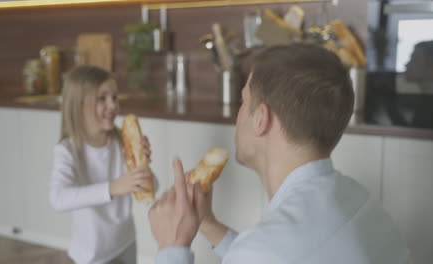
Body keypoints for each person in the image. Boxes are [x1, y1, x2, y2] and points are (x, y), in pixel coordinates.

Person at [148, 44, 411, 264]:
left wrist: (172, 247)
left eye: (243, 101)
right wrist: (208, 223)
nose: (239, 115)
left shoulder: (264, 251)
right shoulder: (360, 199)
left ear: (261, 118)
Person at [49, 65, 154, 264]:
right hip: (92, 254)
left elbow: (151, 188)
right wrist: (113, 187)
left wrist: (143, 163)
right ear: (79, 105)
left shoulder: (120, 143)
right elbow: (58, 199)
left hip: (125, 242)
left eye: (114, 97)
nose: (113, 105)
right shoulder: (67, 150)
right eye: (102, 98)